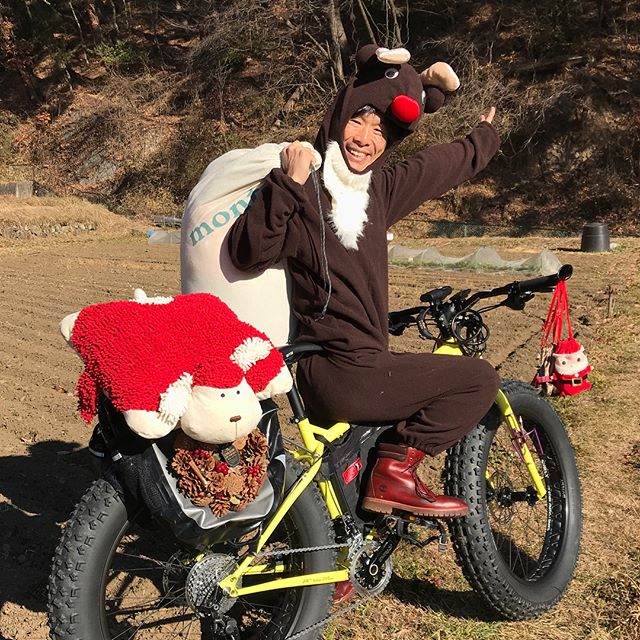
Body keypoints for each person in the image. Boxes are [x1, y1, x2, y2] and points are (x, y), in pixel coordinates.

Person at [226, 45, 500, 519]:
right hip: (335, 369)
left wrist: (484, 136)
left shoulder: (380, 191)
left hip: (361, 365)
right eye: (360, 120)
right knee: (478, 379)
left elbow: (442, 166)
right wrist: (289, 183)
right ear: (339, 116)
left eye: (381, 131)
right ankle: (395, 473)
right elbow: (248, 251)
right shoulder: (304, 189)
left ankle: (339, 560)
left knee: (349, 466)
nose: (366, 139)